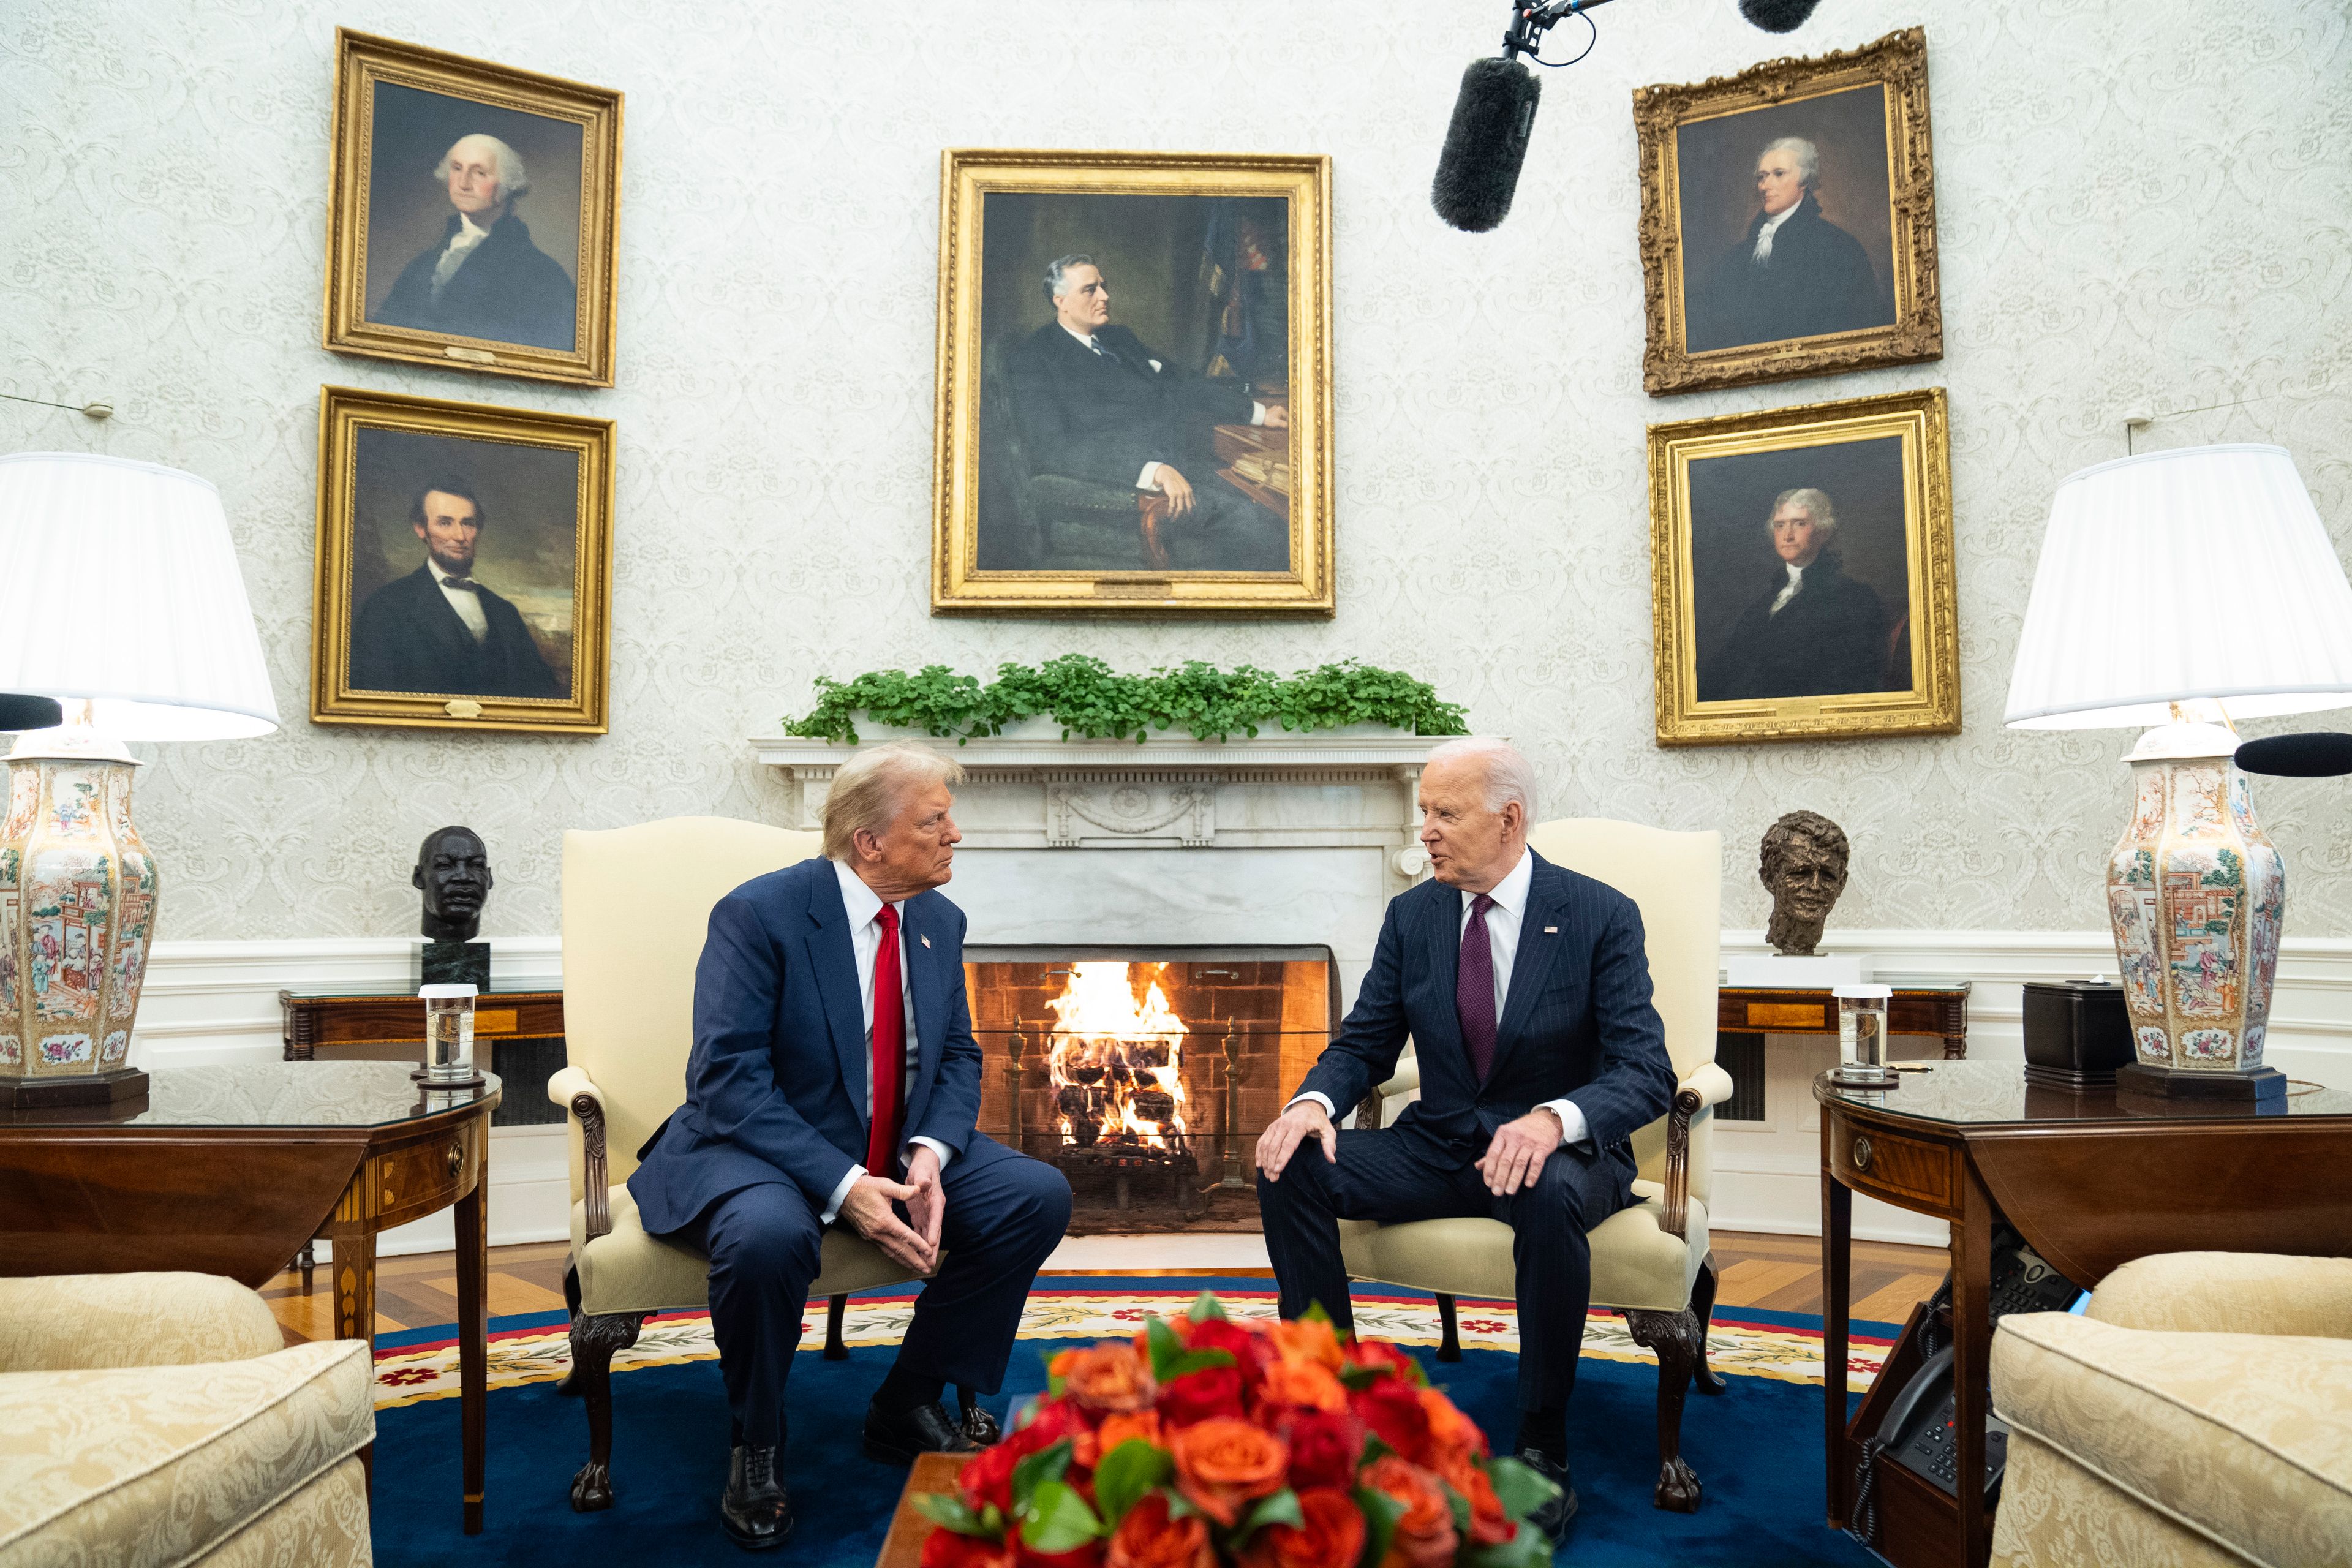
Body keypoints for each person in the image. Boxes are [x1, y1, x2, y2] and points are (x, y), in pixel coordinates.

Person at [627, 744, 1072, 1551]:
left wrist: (933, 1152)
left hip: (894, 1142)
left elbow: (960, 1055)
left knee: (1032, 1195)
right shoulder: (759, 913)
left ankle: (907, 1400)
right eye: (935, 820)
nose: (956, 835)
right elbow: (726, 1080)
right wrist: (845, 1184)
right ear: (871, 841)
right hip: (756, 1148)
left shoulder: (938, 920)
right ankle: (756, 1444)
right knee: (767, 1237)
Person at [1254, 737, 1677, 1542]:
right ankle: (1330, 1410)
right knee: (1291, 1164)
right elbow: (1365, 1043)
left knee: (1548, 1188)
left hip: (1559, 1158)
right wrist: (1313, 1103)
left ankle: (1543, 1440)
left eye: (1445, 813)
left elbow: (1645, 1071)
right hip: (1442, 1143)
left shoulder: (1598, 915)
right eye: (1424, 812)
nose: (1427, 832)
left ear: (1509, 819)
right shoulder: (1413, 916)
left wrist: (1556, 1119)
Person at [1005, 254, 1291, 571]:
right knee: (1260, 525)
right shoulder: (1035, 358)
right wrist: (1152, 470)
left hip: (1188, 467)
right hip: (1128, 490)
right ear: (1062, 302)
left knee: (1278, 504)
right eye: (1091, 290)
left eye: (1103, 286)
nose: (1105, 296)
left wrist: (1257, 413)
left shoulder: (1119, 339)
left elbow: (1182, 382)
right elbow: (1054, 449)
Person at [348, 479, 566, 700]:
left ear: (478, 531)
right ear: (421, 529)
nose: (460, 537)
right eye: (445, 523)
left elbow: (541, 692)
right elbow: (372, 698)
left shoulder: (505, 612)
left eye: (468, 523)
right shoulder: (385, 607)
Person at [372, 133, 577, 350]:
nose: (463, 184)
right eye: (457, 168)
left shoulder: (542, 275)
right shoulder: (422, 265)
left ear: (507, 185)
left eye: (480, 173)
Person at [1689, 136, 1891, 353]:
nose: (1765, 186)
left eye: (1779, 174)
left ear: (1804, 181)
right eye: (1762, 177)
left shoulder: (1840, 248)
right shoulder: (1740, 255)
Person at [1698, 487, 1892, 703]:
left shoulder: (1855, 599)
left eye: (1800, 524)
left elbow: (1853, 681)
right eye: (1780, 526)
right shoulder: (1763, 605)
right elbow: (1726, 668)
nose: (1787, 536)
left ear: (1824, 531)